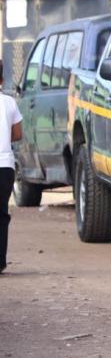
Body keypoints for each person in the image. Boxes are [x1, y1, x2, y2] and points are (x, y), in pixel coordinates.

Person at [0, 60, 23, 274]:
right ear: (2, 80)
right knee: (1, 213)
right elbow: (17, 134)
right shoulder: (9, 102)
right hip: (4, 167)